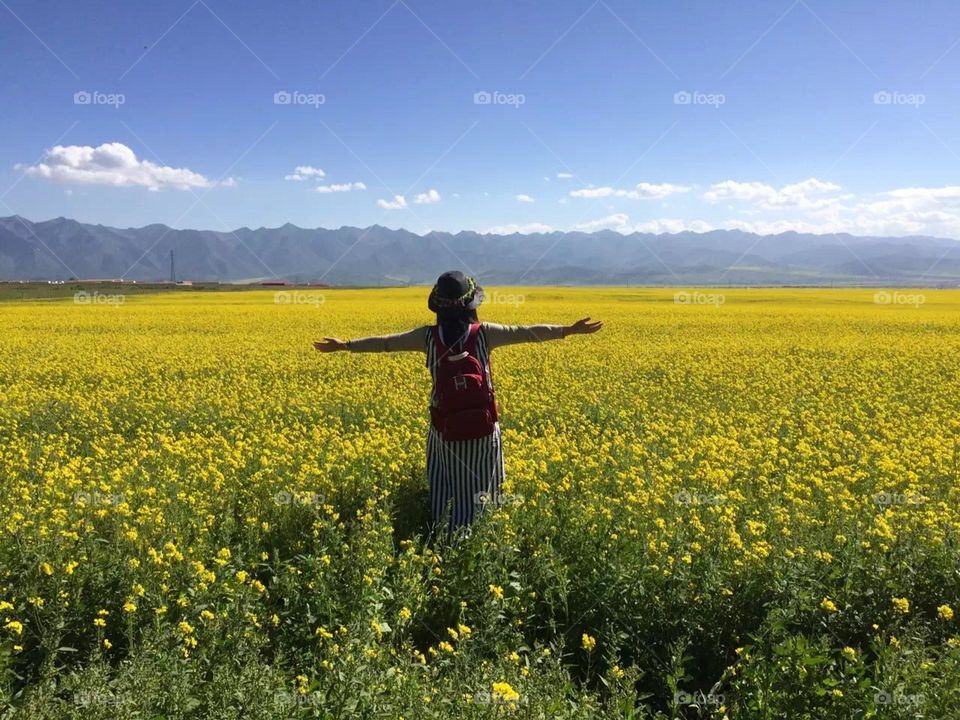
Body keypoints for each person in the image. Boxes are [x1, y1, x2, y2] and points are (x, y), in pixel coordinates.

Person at [313, 271, 603, 536]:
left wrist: (345, 345)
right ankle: (482, 535)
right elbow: (526, 333)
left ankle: (444, 535)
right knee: (482, 484)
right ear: (471, 306)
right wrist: (568, 329)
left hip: (445, 428)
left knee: (445, 484)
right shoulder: (484, 333)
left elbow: (386, 343)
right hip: (483, 429)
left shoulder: (427, 337)